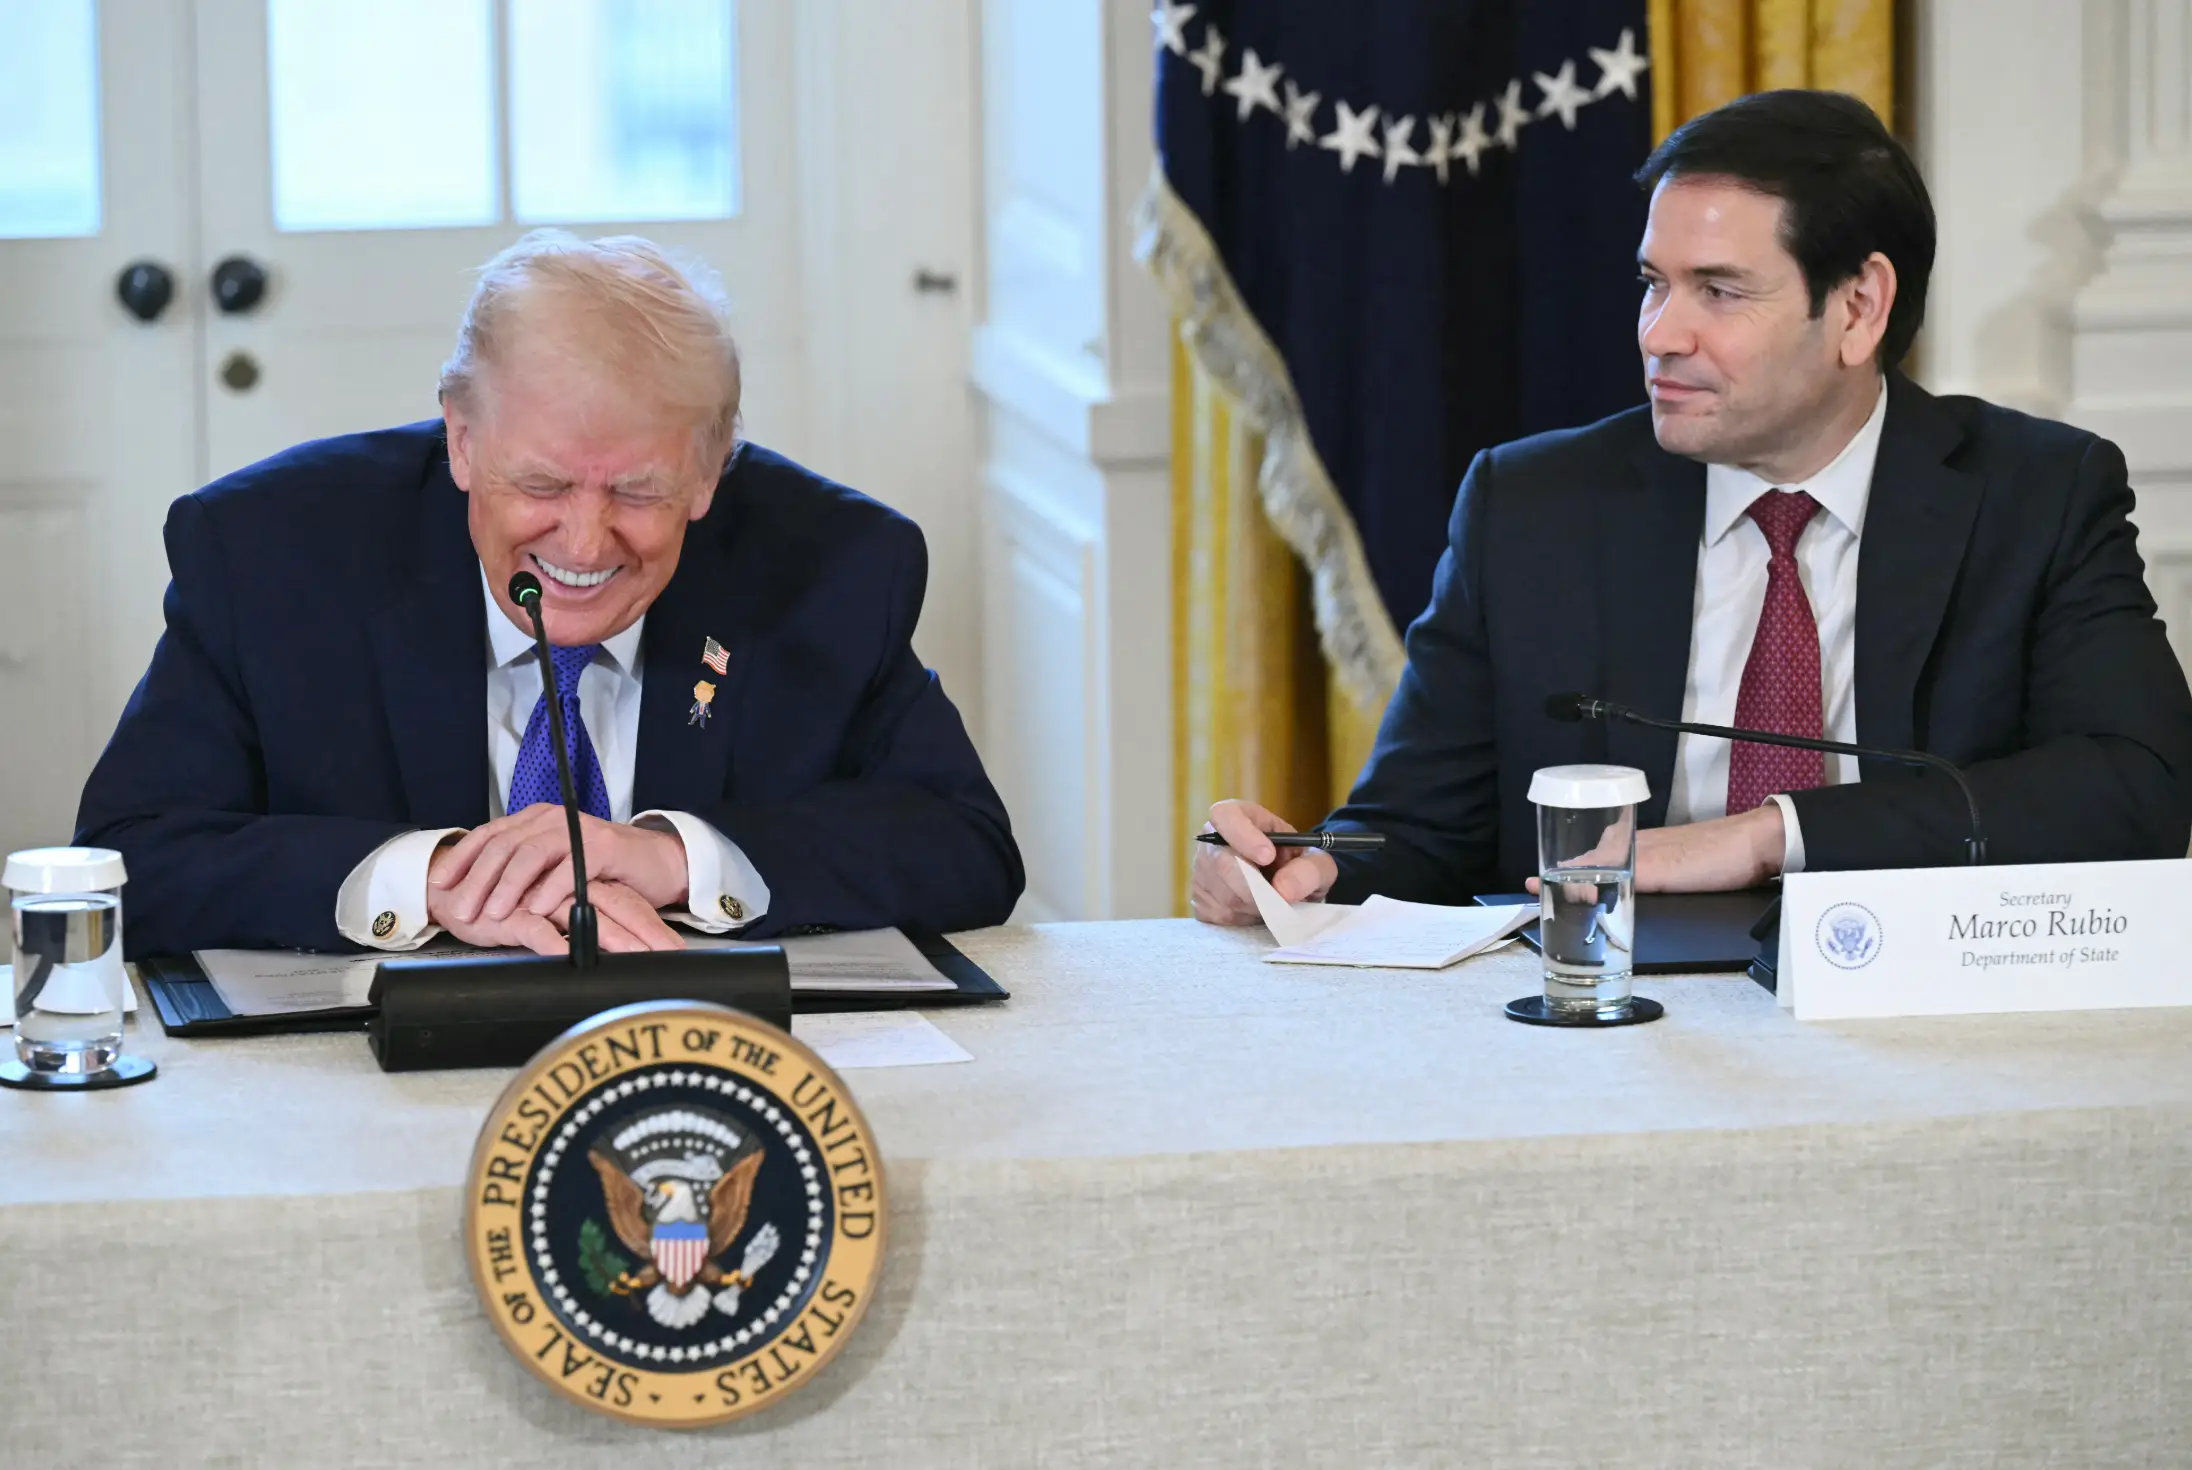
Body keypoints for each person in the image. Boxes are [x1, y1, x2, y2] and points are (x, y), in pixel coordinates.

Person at [1192, 89, 2192, 925]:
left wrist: (1771, 834)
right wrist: (1309, 865)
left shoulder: (2033, 494)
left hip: (1919, 1024)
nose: (1658, 334)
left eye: (1716, 291)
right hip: (1608, 1032)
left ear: (1857, 308)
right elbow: (1421, 830)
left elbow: (2137, 788)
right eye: (1651, 284)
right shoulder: (1531, 508)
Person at [77, 230, 1022, 957]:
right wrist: (431, 878)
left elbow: (965, 845)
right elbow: (128, 859)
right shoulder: (271, 555)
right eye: (542, 486)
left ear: (710, 471)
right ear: (461, 441)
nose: (581, 542)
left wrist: (671, 858)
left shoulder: (835, 565)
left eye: (639, 493)